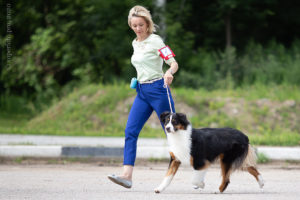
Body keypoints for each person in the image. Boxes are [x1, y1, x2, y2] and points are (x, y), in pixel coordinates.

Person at [108, 5, 179, 189]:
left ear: (148, 24)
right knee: (130, 131)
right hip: (141, 92)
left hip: (158, 89)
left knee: (173, 134)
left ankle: (197, 169)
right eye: (134, 25)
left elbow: (173, 62)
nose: (138, 28)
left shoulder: (156, 41)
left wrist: (169, 72)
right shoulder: (135, 43)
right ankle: (127, 175)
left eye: (141, 25)